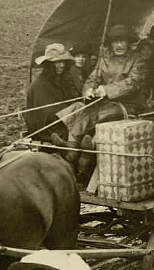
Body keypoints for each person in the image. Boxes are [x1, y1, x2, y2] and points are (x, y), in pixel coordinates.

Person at [54, 24, 148, 167]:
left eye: (122, 41)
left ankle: (88, 149)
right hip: (104, 102)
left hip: (128, 106)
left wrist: (106, 90)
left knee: (104, 113)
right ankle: (71, 149)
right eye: (115, 42)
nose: (119, 45)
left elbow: (133, 83)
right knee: (84, 111)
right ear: (111, 44)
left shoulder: (137, 59)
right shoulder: (105, 59)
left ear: (128, 42)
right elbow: (93, 79)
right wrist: (89, 90)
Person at [24, 44, 79, 142]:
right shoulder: (40, 85)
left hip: (64, 122)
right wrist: (72, 110)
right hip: (47, 130)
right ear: (48, 64)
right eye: (57, 62)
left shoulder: (62, 80)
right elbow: (47, 115)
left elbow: (72, 98)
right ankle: (70, 146)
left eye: (63, 62)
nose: (61, 65)